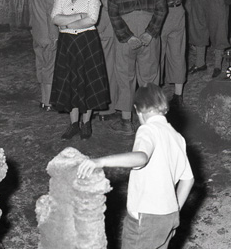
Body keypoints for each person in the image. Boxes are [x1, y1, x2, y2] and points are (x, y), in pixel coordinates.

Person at [77, 84, 194, 249]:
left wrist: (101, 161)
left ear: (138, 110)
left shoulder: (147, 129)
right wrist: (175, 210)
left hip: (145, 218)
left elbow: (141, 157)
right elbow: (188, 179)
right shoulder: (177, 137)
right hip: (168, 216)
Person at [50, 0, 110, 140]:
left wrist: (67, 24)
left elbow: (92, 19)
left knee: (88, 80)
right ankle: (73, 123)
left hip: (87, 42)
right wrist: (78, 16)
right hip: (67, 43)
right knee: (70, 80)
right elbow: (55, 17)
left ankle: (86, 123)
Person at [107, 0, 167, 133]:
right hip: (149, 32)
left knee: (125, 77)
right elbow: (162, 10)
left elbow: (113, 15)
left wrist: (128, 36)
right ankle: (151, 122)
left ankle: (126, 122)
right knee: (149, 78)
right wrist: (150, 33)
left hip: (125, 35)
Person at [84, 0, 120, 120]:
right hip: (104, 24)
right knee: (108, 66)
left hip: (82, 25)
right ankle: (106, 109)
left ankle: (88, 108)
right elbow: (110, 2)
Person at [28, 0, 63, 111]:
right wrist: (55, 35)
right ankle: (48, 102)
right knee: (50, 67)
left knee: (41, 65)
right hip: (48, 32)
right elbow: (52, 11)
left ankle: (43, 99)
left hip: (37, 29)